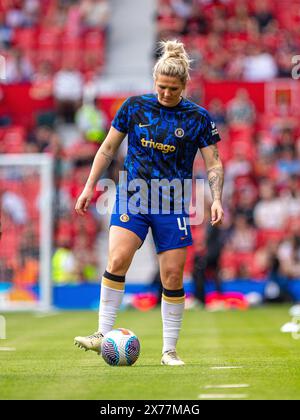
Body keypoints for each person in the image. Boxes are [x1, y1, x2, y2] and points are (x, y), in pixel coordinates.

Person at [74, 40, 224, 366]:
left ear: (184, 86)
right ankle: (102, 334)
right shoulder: (134, 107)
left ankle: (169, 350)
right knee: (118, 258)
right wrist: (90, 187)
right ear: (153, 81)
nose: (166, 93)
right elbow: (107, 149)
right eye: (161, 87)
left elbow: (213, 163)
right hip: (133, 196)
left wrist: (216, 200)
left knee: (172, 276)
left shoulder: (198, 118)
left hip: (172, 202)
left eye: (172, 88)